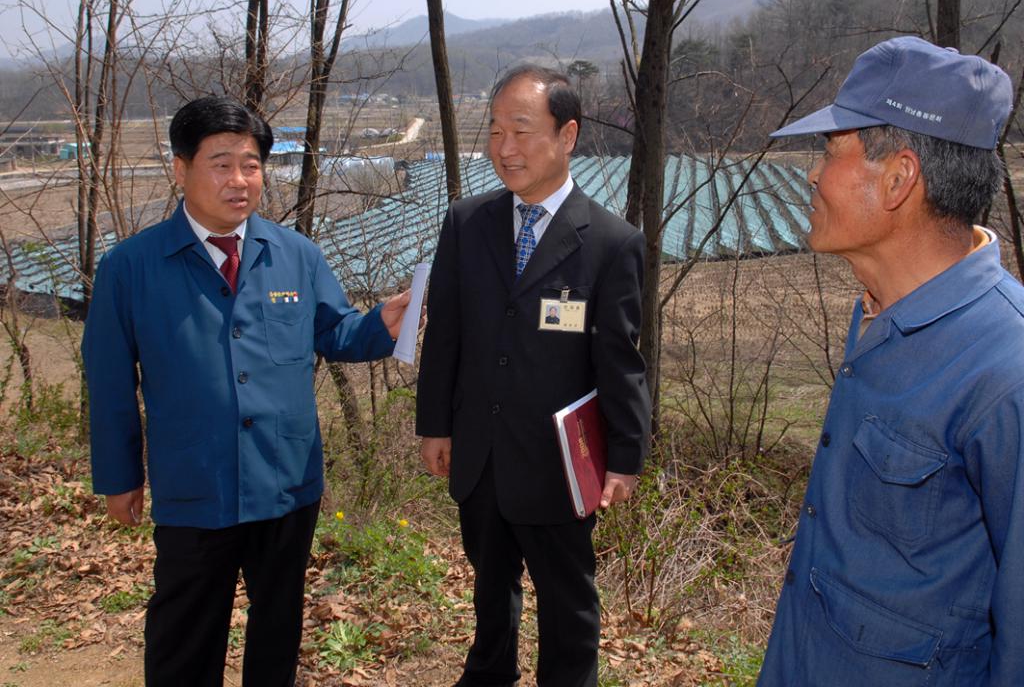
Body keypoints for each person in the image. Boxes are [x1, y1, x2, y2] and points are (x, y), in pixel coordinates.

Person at [83, 96, 412, 687]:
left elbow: (334, 333)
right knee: (186, 631)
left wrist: (381, 323)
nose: (239, 180)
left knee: (278, 625)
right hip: (195, 483)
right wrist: (119, 478)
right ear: (180, 169)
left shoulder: (296, 255)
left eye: (252, 164)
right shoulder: (131, 268)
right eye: (221, 163)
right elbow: (108, 384)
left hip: (286, 479)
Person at [757, 37, 1020, 686]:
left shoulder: (1006, 371)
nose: (812, 175)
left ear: (899, 178)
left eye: (829, 150)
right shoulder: (878, 313)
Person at [416, 64, 651, 687]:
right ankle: (488, 674)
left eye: (521, 130)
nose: (504, 148)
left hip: (559, 462)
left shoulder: (610, 241)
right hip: (482, 453)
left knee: (568, 600)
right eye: (495, 131)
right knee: (490, 589)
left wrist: (626, 456)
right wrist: (435, 425)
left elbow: (619, 359)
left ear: (567, 135)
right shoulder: (467, 223)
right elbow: (446, 334)